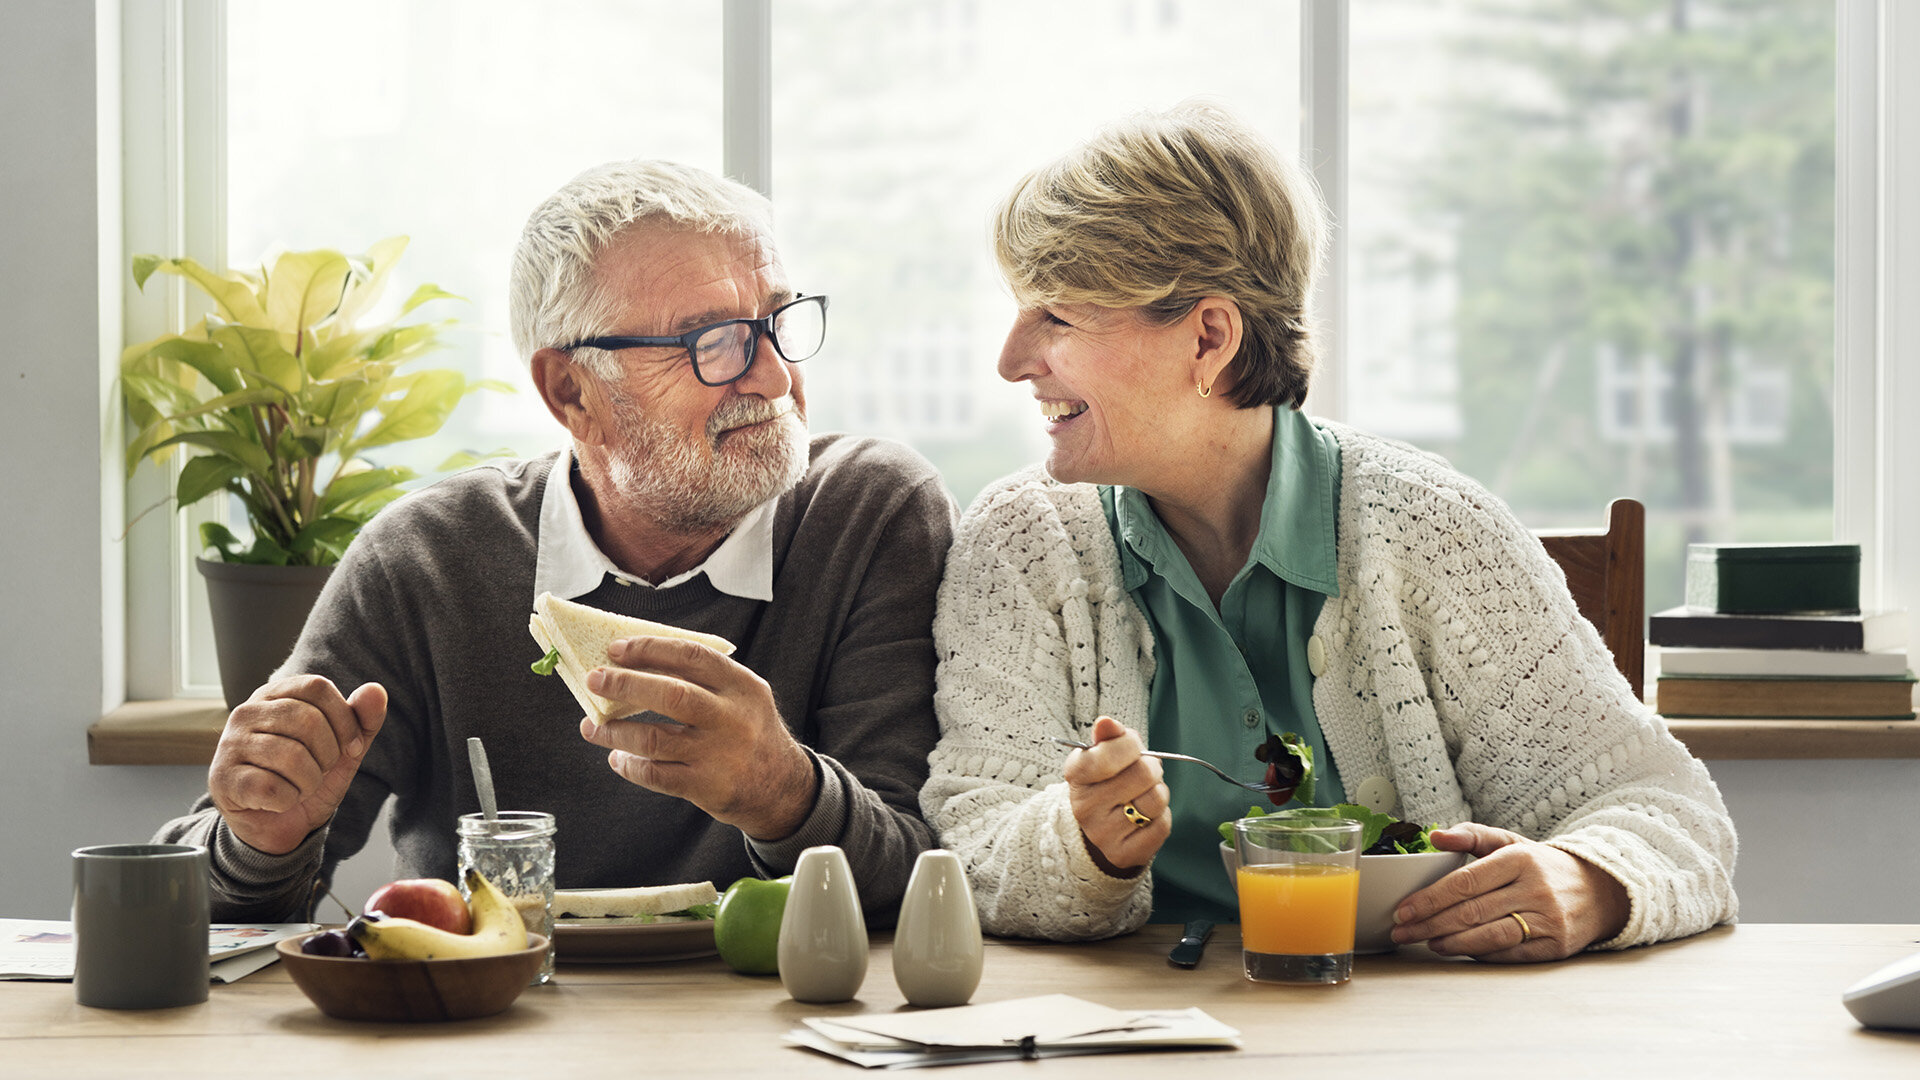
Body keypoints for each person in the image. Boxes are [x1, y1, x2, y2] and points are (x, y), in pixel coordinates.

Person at [922, 103, 1737, 960]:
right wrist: (1082, 844)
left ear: (1208, 336)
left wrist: (1590, 880)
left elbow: (1667, 810)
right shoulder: (1021, 544)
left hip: (1409, 1020)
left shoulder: (1436, 530)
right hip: (1123, 1021)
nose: (1011, 360)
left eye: (1056, 317)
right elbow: (970, 841)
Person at [156, 159, 956, 924]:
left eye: (778, 321)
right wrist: (259, 840)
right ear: (571, 390)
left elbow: (925, 887)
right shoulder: (426, 559)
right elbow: (198, 909)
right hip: (488, 1004)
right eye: (713, 341)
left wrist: (783, 792)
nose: (776, 378)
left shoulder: (869, 514)